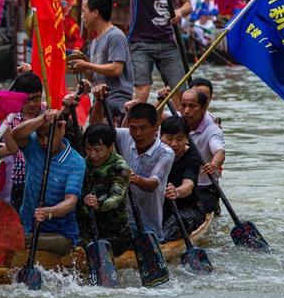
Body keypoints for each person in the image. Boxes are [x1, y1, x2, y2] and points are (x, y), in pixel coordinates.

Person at [8, 109, 85, 254]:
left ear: (62, 128)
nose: (43, 142)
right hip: (28, 226)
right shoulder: (33, 145)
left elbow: (71, 201)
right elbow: (15, 134)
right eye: (39, 136)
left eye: (48, 136)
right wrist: (43, 118)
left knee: (20, 240)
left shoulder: (75, 162)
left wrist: (49, 212)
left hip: (60, 234)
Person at [129, 0, 193, 109]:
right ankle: (137, 127)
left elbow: (188, 4)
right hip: (141, 42)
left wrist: (180, 12)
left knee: (179, 89)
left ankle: (179, 129)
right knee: (142, 89)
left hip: (167, 41)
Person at [112, 101, 174, 241]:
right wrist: (98, 100)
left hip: (148, 228)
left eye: (143, 128)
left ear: (156, 127)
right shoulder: (125, 136)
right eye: (133, 128)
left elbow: (152, 184)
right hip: (121, 223)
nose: (137, 134)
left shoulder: (166, 153)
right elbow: (97, 130)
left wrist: (134, 178)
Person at [68, 0, 134, 120]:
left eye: (83, 11)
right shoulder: (94, 42)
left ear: (95, 13)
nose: (82, 16)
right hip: (99, 101)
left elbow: (116, 69)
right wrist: (82, 66)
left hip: (116, 102)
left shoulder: (115, 36)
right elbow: (94, 77)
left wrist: (87, 64)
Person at [77, 123, 131, 254]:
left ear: (111, 147)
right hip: (86, 230)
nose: (93, 155)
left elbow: (116, 198)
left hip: (113, 231)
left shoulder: (121, 168)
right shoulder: (82, 163)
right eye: (89, 149)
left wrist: (99, 204)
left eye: (98, 150)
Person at [0, 71, 44, 211]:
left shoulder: (48, 114)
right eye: (26, 100)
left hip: (40, 180)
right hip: (13, 181)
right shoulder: (8, 116)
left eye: (36, 98)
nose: (32, 104)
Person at [159, 115, 205, 241]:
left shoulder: (192, 157)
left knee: (176, 223)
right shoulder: (154, 152)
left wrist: (176, 192)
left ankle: (162, 245)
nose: (174, 144)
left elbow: (189, 185)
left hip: (187, 209)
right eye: (169, 138)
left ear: (186, 138)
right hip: (161, 208)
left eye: (179, 139)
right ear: (160, 137)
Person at [180, 89, 225, 215]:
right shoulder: (176, 122)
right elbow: (155, 118)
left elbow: (220, 151)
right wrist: (160, 101)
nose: (186, 111)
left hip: (204, 188)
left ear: (203, 108)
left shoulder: (213, 130)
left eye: (192, 106)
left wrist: (214, 164)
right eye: (183, 106)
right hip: (178, 186)